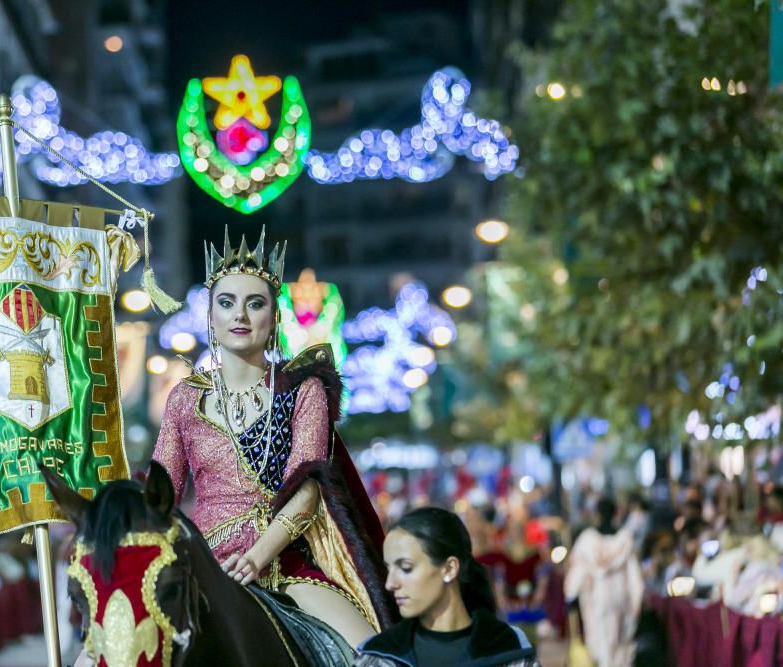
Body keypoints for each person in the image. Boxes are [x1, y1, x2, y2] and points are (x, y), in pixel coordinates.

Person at [152, 228, 394, 647]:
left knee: (371, 655)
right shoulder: (184, 399)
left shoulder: (304, 390)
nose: (240, 316)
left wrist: (258, 557)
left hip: (286, 565)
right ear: (211, 315)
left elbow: (308, 489)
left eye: (255, 303)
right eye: (226, 303)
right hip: (201, 563)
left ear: (274, 316)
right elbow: (159, 493)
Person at [356, 507, 539, 667]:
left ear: (449, 568)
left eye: (405, 568)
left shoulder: (510, 649)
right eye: (389, 569)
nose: (390, 584)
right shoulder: (377, 656)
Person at [564, 497, 643, 667]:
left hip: (597, 596)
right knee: (621, 645)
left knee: (602, 642)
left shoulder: (587, 541)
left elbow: (578, 573)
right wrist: (636, 605)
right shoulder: (624, 540)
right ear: (616, 514)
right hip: (621, 596)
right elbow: (635, 578)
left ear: (597, 514)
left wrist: (571, 596)